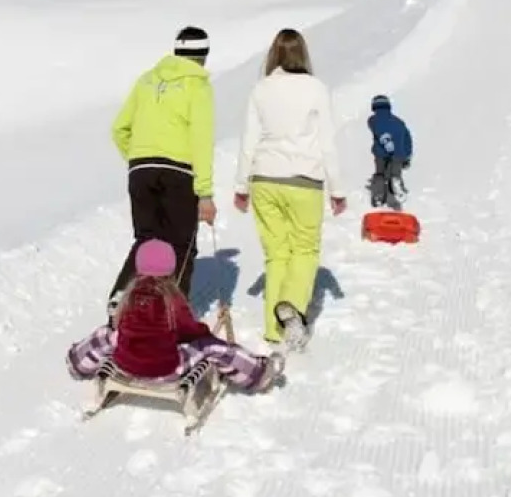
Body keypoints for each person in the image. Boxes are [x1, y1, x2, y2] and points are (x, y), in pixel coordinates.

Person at [232, 28, 346, 350]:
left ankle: (274, 329)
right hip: (304, 180)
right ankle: (292, 305)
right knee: (305, 250)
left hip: (264, 179)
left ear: (274, 55)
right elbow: (327, 142)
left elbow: (248, 141)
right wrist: (337, 189)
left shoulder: (261, 89)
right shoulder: (316, 88)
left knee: (277, 254)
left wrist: (241, 186)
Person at [66, 239, 283, 392]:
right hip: (166, 369)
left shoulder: (127, 296)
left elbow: (119, 324)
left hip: (125, 364)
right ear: (170, 269)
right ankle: (259, 373)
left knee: (106, 335)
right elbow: (189, 331)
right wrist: (203, 335)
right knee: (214, 348)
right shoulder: (172, 299)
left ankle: (77, 361)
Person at [107, 25, 217, 314]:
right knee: (181, 245)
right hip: (179, 172)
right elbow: (201, 141)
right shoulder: (198, 86)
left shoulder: (146, 80)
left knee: (147, 240)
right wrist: (205, 193)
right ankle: (174, 314)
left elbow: (119, 128)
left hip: (141, 170)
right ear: (204, 55)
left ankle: (122, 295)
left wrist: (138, 158)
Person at [367, 94, 413, 209]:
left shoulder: (373, 120)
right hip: (399, 153)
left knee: (380, 174)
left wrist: (387, 142)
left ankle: (378, 197)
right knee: (395, 172)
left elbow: (381, 130)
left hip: (381, 153)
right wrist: (407, 155)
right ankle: (396, 185)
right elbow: (407, 139)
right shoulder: (399, 121)